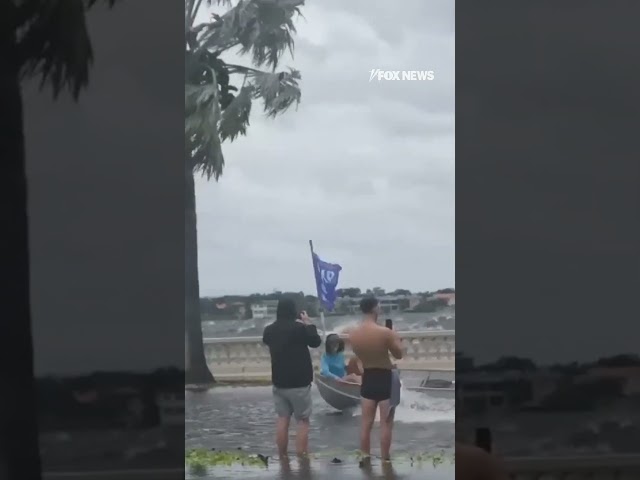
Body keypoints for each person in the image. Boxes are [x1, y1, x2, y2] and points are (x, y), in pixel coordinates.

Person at [262, 298, 322, 458]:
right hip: (299, 382)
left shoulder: (269, 330)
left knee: (283, 419)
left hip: (279, 381)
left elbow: (267, 342)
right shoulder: (299, 329)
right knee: (302, 421)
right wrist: (308, 323)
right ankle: (302, 457)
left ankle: (283, 457)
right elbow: (316, 342)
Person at [348, 296, 404, 461]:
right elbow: (398, 354)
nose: (380, 309)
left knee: (366, 424)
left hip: (368, 378)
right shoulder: (385, 332)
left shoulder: (354, 334)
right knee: (386, 424)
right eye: (379, 306)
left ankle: (365, 458)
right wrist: (396, 337)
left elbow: (359, 354)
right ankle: (385, 460)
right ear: (374, 308)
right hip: (385, 378)